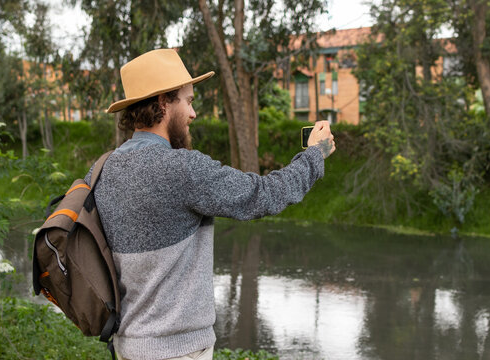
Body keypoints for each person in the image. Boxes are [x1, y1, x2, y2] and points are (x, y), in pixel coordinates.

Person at [85, 48, 335, 360]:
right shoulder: (182, 169)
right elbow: (264, 194)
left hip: (127, 348)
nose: (193, 113)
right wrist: (314, 155)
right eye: (188, 101)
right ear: (163, 102)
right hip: (178, 352)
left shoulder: (103, 169)